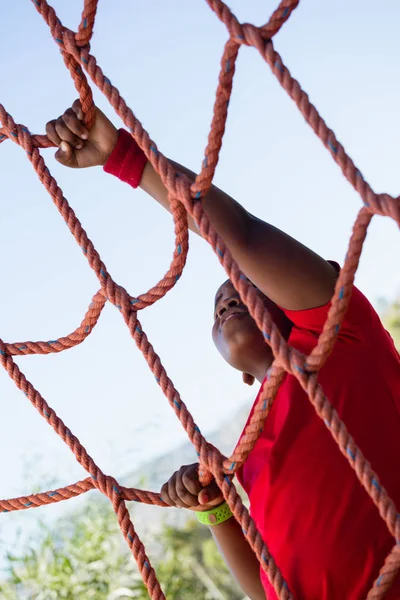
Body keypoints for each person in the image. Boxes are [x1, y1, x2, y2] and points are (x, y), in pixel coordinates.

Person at [46, 101, 400, 600]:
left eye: (242, 284)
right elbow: (268, 589)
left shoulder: (340, 336)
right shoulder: (247, 456)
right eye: (218, 306)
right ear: (238, 375)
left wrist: (122, 156)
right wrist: (215, 509)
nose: (228, 297)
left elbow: (240, 235)